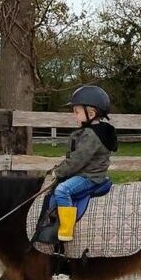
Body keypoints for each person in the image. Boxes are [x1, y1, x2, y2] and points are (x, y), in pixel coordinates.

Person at [42, 85, 118, 242]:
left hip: (90, 176)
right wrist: (59, 168)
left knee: (62, 190)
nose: (74, 115)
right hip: (85, 172)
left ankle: (66, 229)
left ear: (91, 113)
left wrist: (59, 172)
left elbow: (78, 159)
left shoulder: (92, 135)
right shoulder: (90, 131)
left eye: (76, 112)